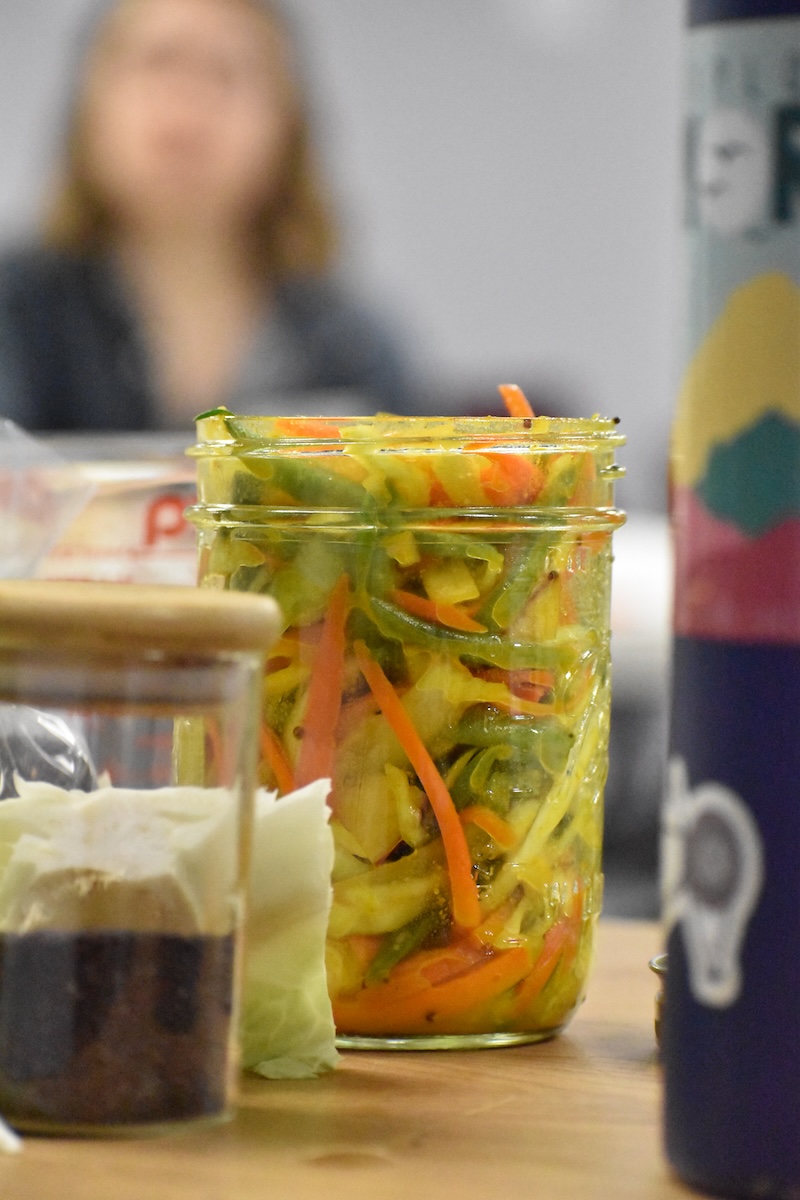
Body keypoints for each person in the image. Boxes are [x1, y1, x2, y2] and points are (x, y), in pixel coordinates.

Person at [0, 0, 413, 432]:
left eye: (225, 73)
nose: (187, 104)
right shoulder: (16, 313)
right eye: (157, 62)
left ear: (287, 125)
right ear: (89, 107)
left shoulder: (353, 347)